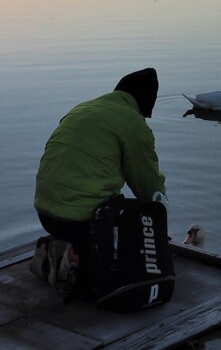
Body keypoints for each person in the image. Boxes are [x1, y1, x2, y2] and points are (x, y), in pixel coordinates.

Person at [34, 67, 167, 265]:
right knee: (135, 231)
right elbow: (147, 182)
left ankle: (65, 251)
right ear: (144, 103)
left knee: (99, 197)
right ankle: (78, 261)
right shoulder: (132, 122)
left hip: (45, 213)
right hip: (81, 220)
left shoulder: (81, 109)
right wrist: (159, 222)